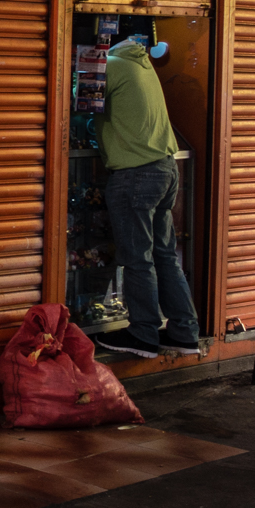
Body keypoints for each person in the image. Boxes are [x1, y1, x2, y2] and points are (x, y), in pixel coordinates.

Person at [93, 39, 201, 357]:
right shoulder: (143, 67)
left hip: (135, 173)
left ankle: (142, 333)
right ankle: (184, 331)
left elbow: (75, 99)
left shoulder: (110, 66)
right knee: (165, 256)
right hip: (166, 171)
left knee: (138, 259)